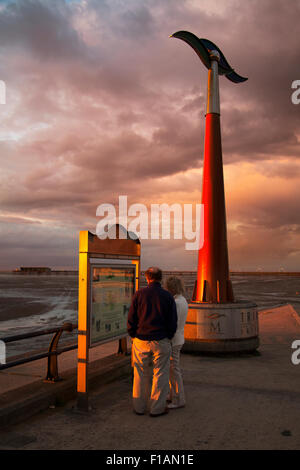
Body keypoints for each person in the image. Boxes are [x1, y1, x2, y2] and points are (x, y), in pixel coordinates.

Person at [127, 267, 177, 417]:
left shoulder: (139, 294)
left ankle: (139, 407)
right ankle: (157, 408)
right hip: (161, 340)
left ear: (147, 278)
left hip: (141, 340)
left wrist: (133, 335)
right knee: (160, 374)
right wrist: (168, 336)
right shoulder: (168, 296)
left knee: (140, 373)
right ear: (160, 278)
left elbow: (131, 319)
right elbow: (173, 321)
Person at [165, 276, 188, 409]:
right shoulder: (182, 300)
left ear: (171, 288)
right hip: (179, 337)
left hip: (174, 340)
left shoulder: (176, 303)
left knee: (174, 370)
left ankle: (179, 399)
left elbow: (172, 323)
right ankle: (173, 394)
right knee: (172, 370)